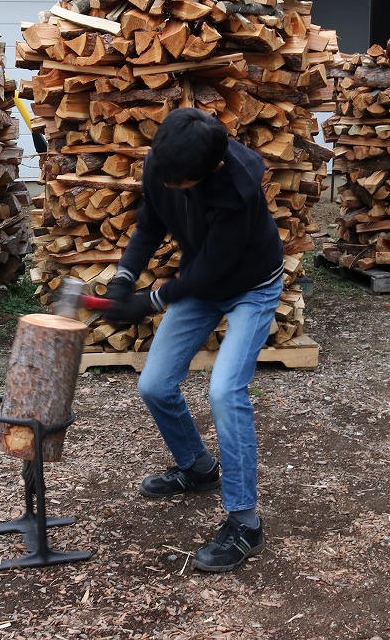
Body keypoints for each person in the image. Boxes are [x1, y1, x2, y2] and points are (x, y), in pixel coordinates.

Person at [102, 107, 284, 573]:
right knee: (154, 384)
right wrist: (123, 280)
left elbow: (211, 271)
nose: (167, 185)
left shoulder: (237, 186)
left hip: (250, 285)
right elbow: (149, 225)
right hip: (201, 280)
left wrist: (149, 302)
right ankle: (198, 467)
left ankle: (245, 521)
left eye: (178, 183)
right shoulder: (164, 163)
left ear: (212, 170)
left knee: (225, 390)